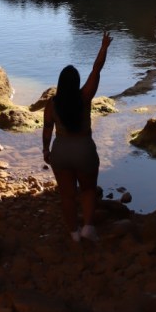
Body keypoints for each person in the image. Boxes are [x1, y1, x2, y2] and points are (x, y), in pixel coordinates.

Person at [42, 30, 113, 242]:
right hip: (83, 149)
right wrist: (103, 47)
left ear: (60, 83)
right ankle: (88, 228)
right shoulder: (84, 96)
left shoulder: (52, 104)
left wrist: (46, 150)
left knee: (67, 196)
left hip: (61, 150)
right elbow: (96, 69)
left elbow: (47, 129)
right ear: (76, 83)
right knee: (88, 190)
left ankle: (73, 233)